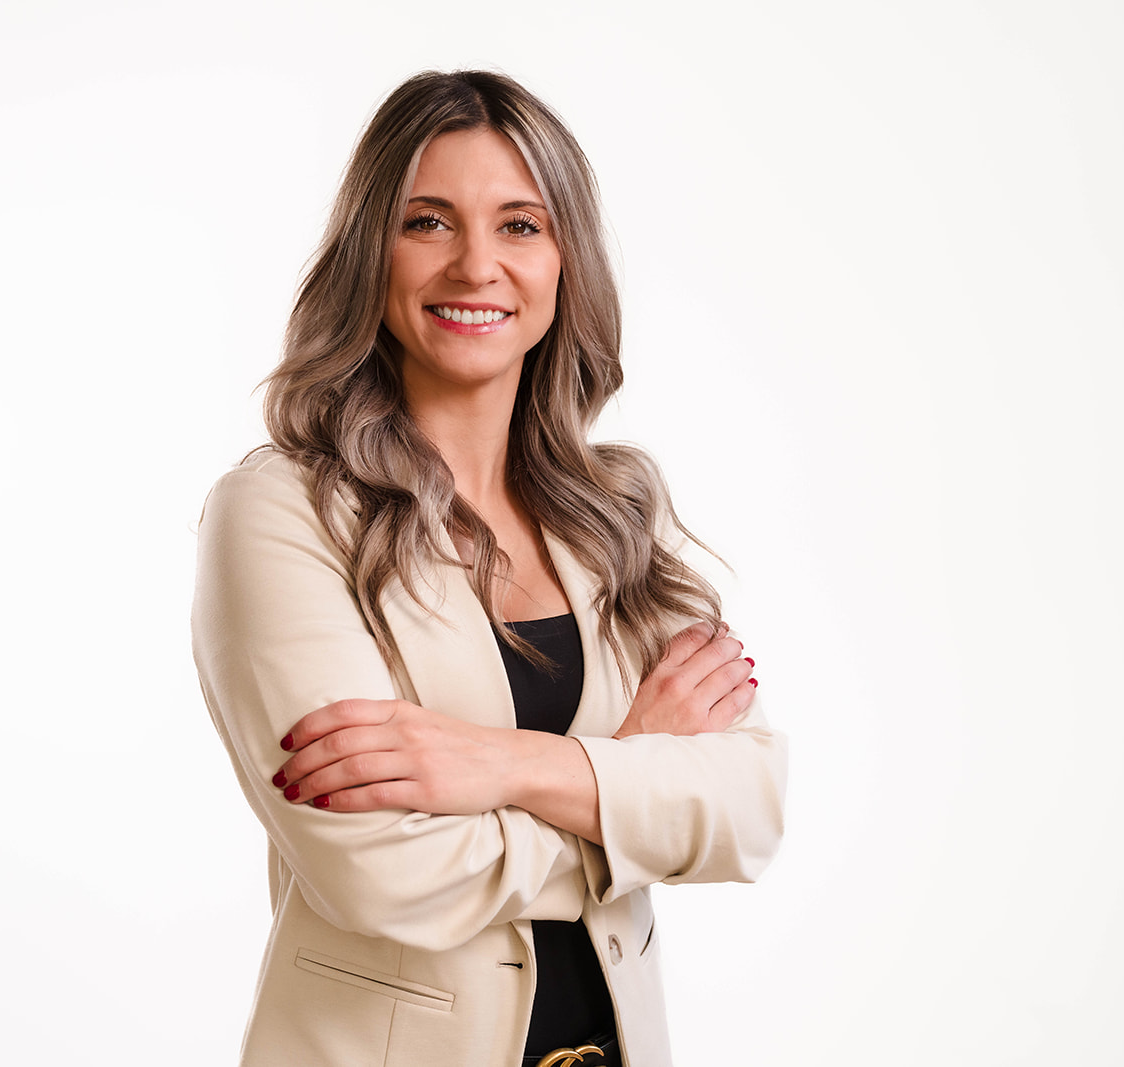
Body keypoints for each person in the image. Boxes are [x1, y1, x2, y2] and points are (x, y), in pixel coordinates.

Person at [192, 70, 787, 1067]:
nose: (476, 265)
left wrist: (502, 762)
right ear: (369, 255)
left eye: (520, 225)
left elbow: (748, 803)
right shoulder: (280, 511)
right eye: (429, 222)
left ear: (564, 263)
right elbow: (381, 870)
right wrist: (632, 770)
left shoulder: (616, 514)